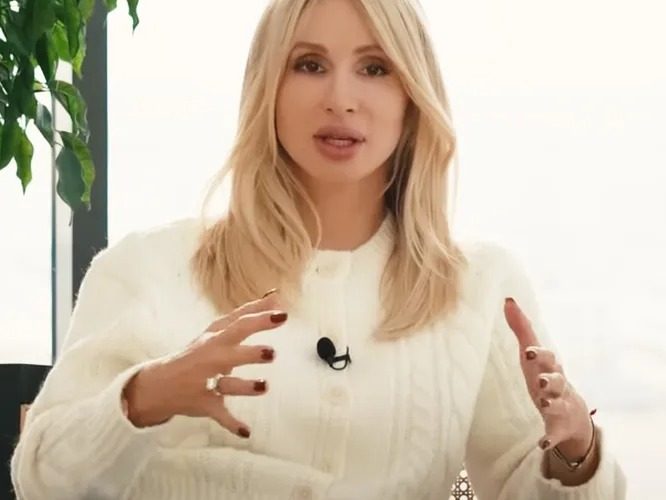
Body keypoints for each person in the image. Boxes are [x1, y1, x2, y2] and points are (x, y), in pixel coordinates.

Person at [11, 0, 626, 498]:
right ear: (268, 88)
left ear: (412, 99)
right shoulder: (146, 268)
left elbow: (525, 486)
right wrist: (146, 396)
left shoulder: (481, 285)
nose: (340, 98)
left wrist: (577, 452)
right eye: (309, 64)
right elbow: (41, 479)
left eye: (375, 68)